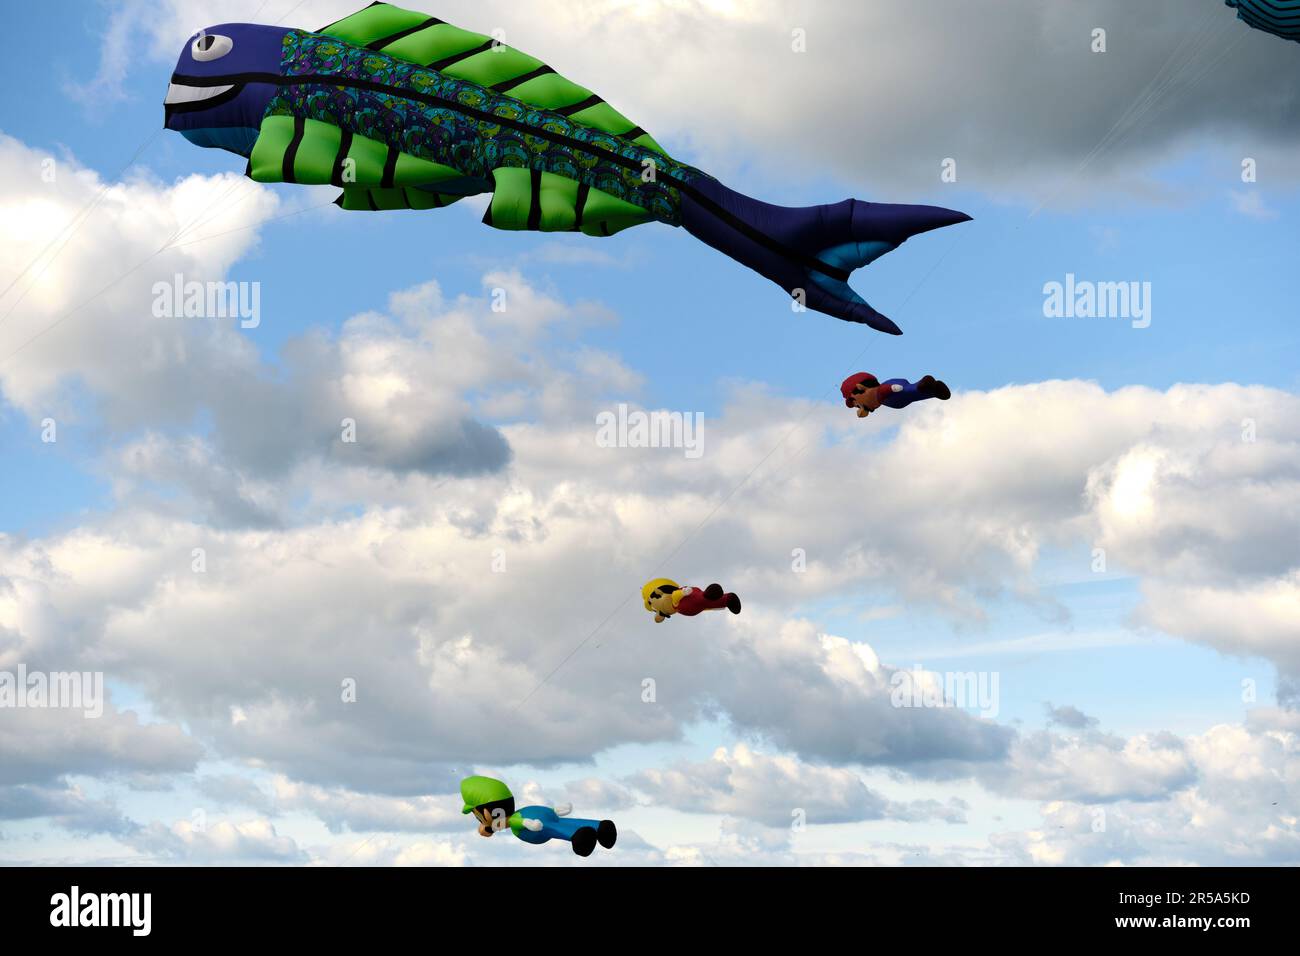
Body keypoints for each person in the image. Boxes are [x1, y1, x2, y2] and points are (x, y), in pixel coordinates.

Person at [460, 775, 617, 857]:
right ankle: (599, 826)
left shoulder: (514, 820)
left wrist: (528, 823)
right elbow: (492, 827)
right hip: (540, 813)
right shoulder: (510, 815)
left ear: (485, 812)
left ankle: (577, 836)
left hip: (533, 824)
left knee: (553, 827)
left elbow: (508, 823)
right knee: (563, 821)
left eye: (476, 814)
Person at [841, 372, 950, 418]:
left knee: (910, 392)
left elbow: (885, 390)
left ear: (861, 388)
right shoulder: (879, 396)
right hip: (895, 395)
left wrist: (892, 388)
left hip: (894, 393)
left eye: (856, 403)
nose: (858, 406)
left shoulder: (880, 393)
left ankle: (922, 385)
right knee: (914, 395)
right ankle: (934, 391)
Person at [641, 578, 741, 622]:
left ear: (658, 592)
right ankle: (727, 599)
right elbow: (658, 618)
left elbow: (676, 595)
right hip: (691, 606)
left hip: (689, 598)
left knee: (703, 600)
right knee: (706, 604)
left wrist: (683, 593)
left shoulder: (675, 597)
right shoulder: (668, 609)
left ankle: (716, 595)